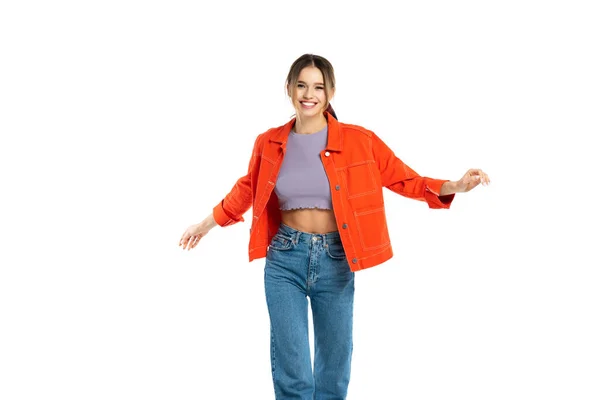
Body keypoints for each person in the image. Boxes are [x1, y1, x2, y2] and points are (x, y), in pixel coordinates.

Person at [179, 53, 490, 400]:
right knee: (292, 366)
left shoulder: (359, 140)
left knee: (334, 365)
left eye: (318, 87)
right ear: (289, 88)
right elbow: (248, 189)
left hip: (336, 258)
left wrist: (454, 186)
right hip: (284, 258)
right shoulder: (268, 142)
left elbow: (406, 180)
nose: (308, 94)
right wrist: (205, 224)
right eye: (301, 85)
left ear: (330, 93)